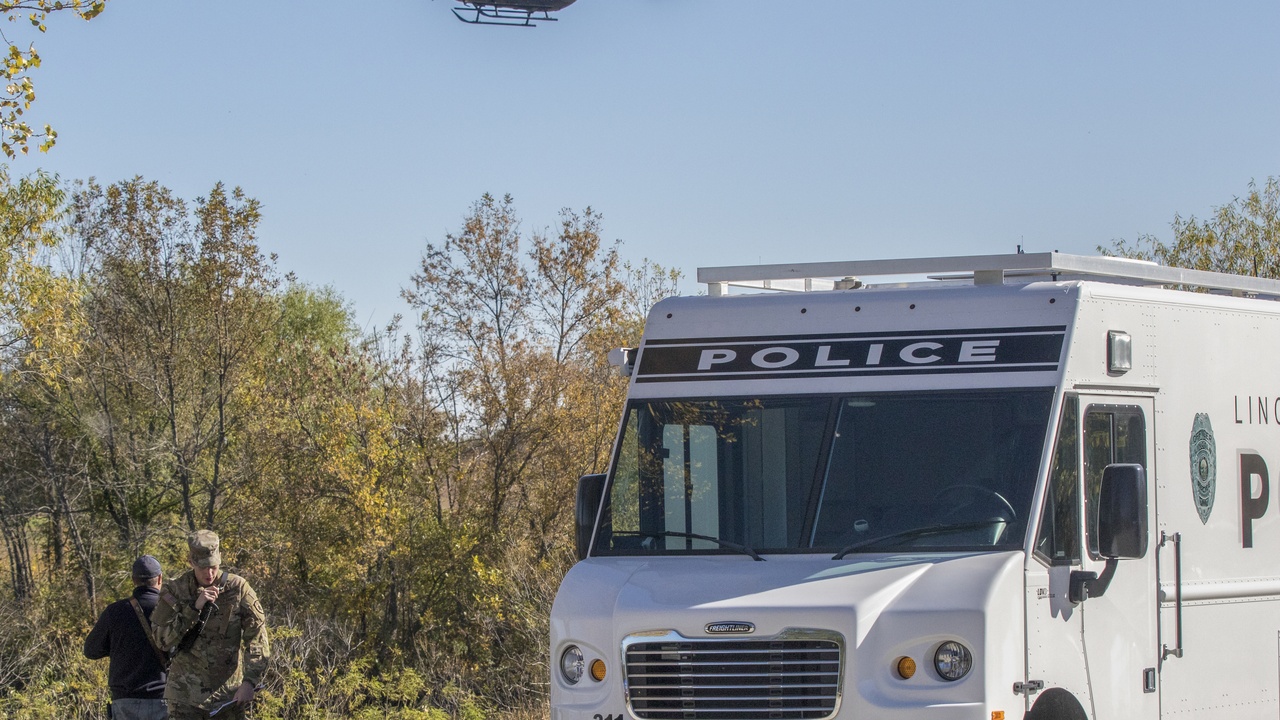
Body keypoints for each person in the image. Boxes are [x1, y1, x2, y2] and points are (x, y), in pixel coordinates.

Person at [152, 530, 270, 720]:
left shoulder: (238, 589)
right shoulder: (175, 590)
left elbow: (257, 638)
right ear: (191, 562)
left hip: (227, 698)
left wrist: (249, 681)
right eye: (203, 568)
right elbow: (162, 640)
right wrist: (193, 609)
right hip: (184, 698)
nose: (209, 573)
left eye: (213, 567)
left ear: (220, 559)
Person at [84, 554, 170, 720]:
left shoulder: (114, 612)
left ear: (133, 580)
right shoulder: (169, 610)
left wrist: (117, 647)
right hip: (162, 700)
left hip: (125, 702)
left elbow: (90, 651)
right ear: (160, 579)